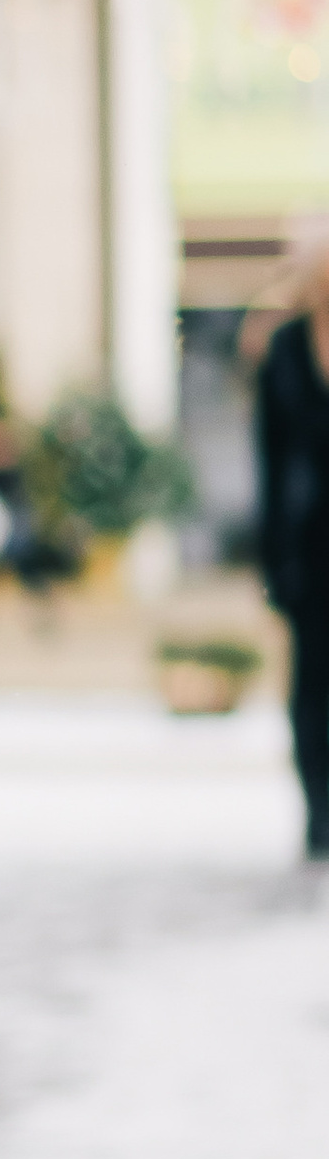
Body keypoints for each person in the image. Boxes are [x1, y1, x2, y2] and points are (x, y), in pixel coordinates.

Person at [255, 237, 329, 854]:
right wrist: (273, 558)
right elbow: (270, 462)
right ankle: (319, 813)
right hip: (309, 547)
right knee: (310, 687)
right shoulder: (283, 350)